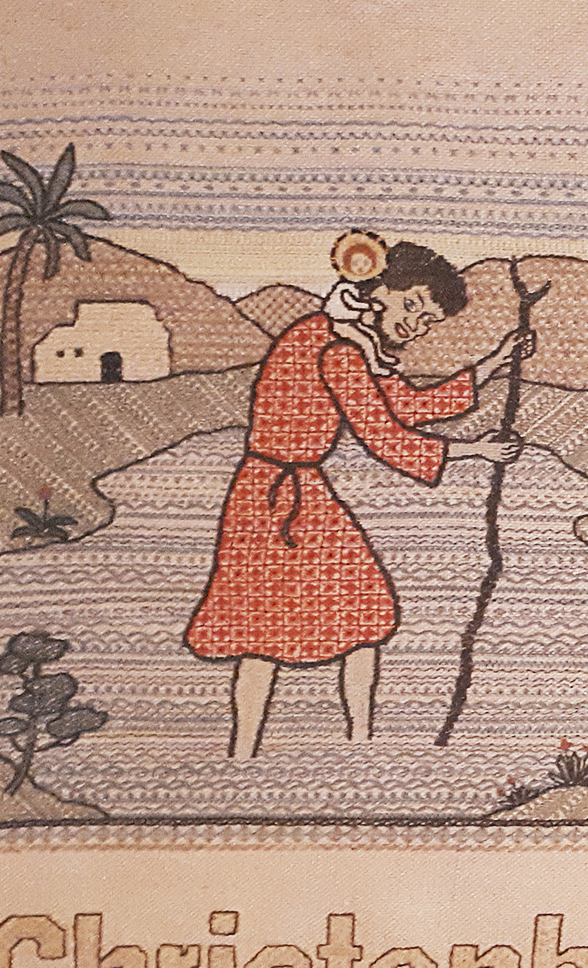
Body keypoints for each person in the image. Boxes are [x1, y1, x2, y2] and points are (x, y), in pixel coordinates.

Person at [185, 236, 532, 757]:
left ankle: (333, 743)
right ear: (378, 289)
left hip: (290, 490)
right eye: (412, 305)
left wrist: (494, 362)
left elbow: (404, 405)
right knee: (270, 624)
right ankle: (275, 749)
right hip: (276, 500)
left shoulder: (337, 337)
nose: (416, 325)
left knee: (353, 608)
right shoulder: (338, 349)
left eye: (428, 320)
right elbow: (383, 434)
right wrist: (473, 451)